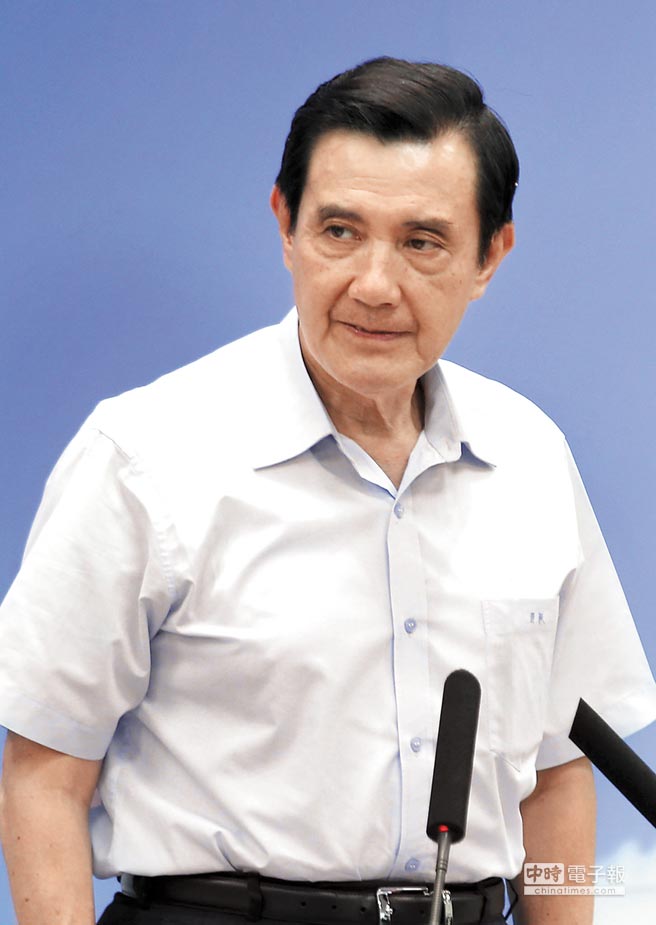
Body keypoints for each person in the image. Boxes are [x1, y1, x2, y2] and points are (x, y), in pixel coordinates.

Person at [0, 57, 654, 925]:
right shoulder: (145, 454)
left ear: (490, 255)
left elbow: (561, 773)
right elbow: (45, 773)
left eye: (422, 242)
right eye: (339, 231)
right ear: (285, 224)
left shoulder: (530, 457)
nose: (374, 286)